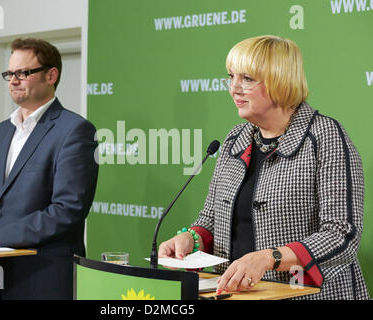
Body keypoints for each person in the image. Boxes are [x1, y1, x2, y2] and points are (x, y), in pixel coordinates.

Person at [159, 35, 370, 299]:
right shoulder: (234, 140)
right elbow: (211, 219)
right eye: (231, 77)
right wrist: (191, 239)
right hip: (235, 294)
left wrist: (271, 258)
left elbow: (342, 236)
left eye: (247, 79)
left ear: (280, 80)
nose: (234, 88)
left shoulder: (325, 137)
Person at [0, 38, 99, 299]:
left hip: (45, 275)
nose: (13, 80)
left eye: (24, 73)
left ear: (51, 75)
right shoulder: (1, 131)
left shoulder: (75, 130)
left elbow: (68, 210)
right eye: (9, 74)